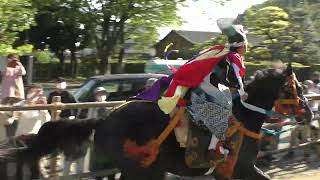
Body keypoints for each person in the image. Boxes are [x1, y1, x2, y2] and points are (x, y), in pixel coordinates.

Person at [156, 22, 248, 156]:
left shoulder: (220, 52)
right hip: (203, 90)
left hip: (201, 87)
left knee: (225, 105)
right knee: (225, 112)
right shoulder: (232, 57)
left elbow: (226, 79)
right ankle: (213, 148)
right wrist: (242, 92)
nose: (246, 49)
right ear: (241, 47)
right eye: (245, 46)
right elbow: (236, 79)